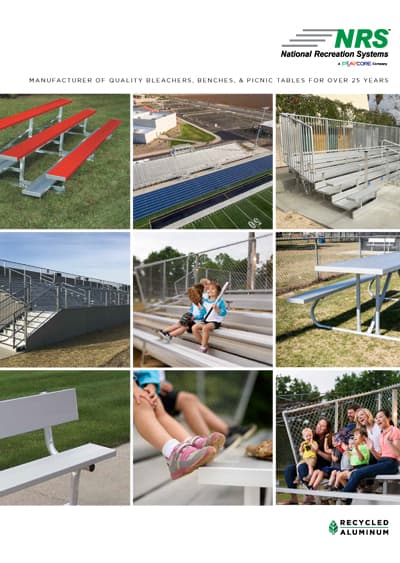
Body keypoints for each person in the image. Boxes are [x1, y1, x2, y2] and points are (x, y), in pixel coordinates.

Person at [133, 372, 225, 480]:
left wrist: (151, 384)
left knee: (159, 408)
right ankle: (173, 454)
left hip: (141, 382)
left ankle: (189, 443)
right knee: (141, 402)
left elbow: (147, 372)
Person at [156, 371, 254, 447]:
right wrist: (155, 383)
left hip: (156, 386)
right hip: (148, 389)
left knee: (191, 398)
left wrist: (164, 382)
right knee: (186, 399)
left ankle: (227, 432)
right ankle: (209, 443)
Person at [341, 409, 400, 504]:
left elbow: (398, 454)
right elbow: (380, 457)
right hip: (382, 461)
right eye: (376, 418)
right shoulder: (381, 435)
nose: (378, 420)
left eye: (381, 417)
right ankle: (346, 501)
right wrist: (372, 449)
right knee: (355, 473)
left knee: (357, 473)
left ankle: (343, 497)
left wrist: (389, 442)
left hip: (391, 463)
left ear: (388, 417)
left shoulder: (395, 431)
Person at [281, 418, 333, 505]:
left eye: (322, 426)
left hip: (321, 466)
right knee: (289, 470)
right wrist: (302, 450)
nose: (319, 427)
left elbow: (330, 459)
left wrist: (318, 451)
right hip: (308, 461)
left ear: (327, 429)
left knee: (302, 468)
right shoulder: (311, 436)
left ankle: (310, 496)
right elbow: (306, 450)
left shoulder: (329, 439)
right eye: (318, 424)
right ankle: (294, 499)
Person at [192, 281, 227, 353]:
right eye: (208, 289)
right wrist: (196, 316)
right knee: (194, 327)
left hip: (215, 322)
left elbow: (223, 313)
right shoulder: (205, 301)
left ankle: (203, 347)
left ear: (218, 291)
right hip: (205, 320)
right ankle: (204, 344)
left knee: (205, 328)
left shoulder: (220, 301)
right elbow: (203, 313)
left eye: (213, 289)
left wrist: (217, 309)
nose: (210, 290)